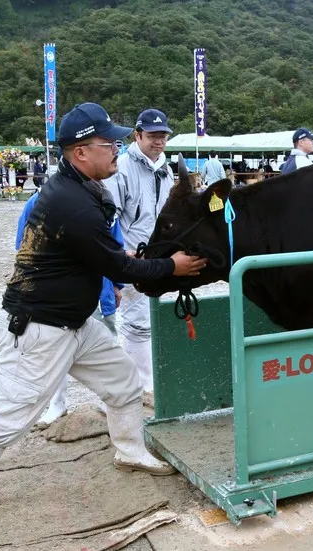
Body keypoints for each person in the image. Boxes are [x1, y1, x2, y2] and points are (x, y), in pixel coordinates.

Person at [0, 102, 207, 551]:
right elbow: (118, 265)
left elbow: (108, 261)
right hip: (41, 330)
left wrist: (139, 265)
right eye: (110, 143)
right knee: (4, 422)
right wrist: (172, 267)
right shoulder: (72, 204)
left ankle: (129, 449)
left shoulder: (81, 188)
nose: (118, 149)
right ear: (81, 152)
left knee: (122, 382)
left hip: (76, 322)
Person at [14, 191, 125, 426]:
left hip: (99, 289)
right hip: (59, 295)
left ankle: (111, 402)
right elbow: (24, 249)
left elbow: (115, 245)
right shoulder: (40, 200)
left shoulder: (104, 200)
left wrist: (116, 285)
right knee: (55, 349)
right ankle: (56, 403)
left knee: (108, 344)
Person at [107, 108, 175, 401]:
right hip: (131, 254)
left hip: (157, 255)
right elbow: (111, 215)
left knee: (152, 317)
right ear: (138, 136)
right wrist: (119, 254)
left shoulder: (167, 169)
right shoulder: (122, 167)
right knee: (137, 322)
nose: (158, 141)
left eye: (162, 136)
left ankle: (145, 381)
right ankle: (143, 388)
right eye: (152, 136)